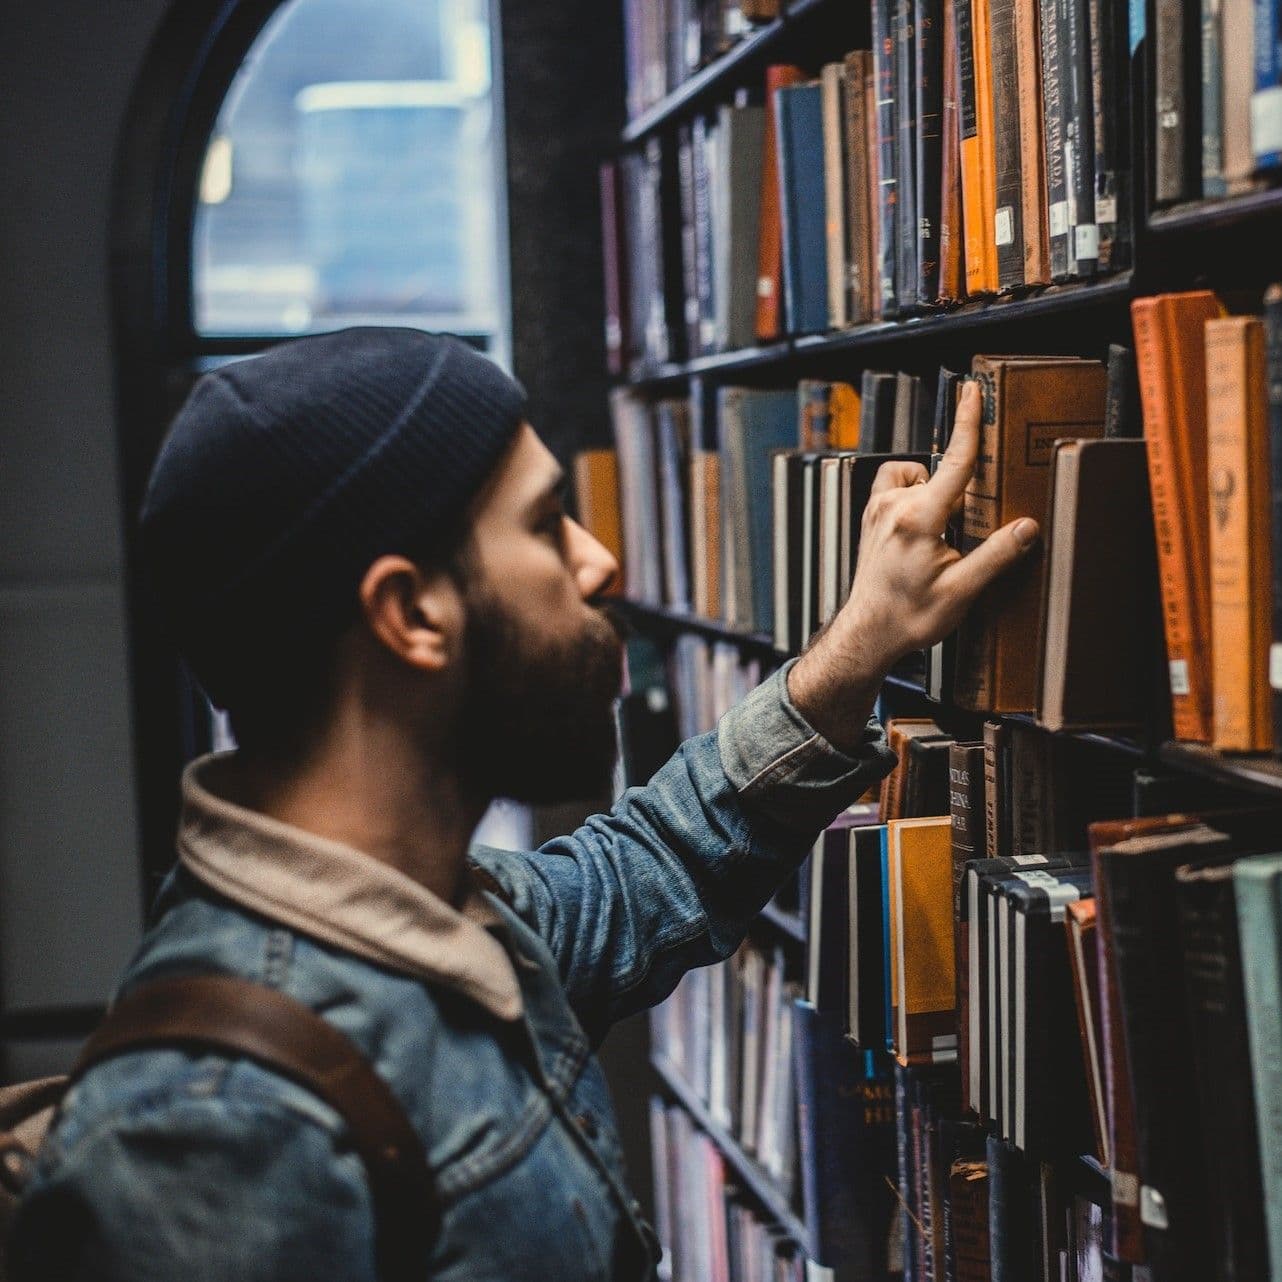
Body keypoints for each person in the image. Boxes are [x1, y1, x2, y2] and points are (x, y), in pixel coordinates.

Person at [9, 329, 1037, 1280]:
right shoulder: (215, 1134)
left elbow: (658, 862)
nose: (599, 562)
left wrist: (860, 641)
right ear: (411, 613)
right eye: (547, 524)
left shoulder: (453, 916)